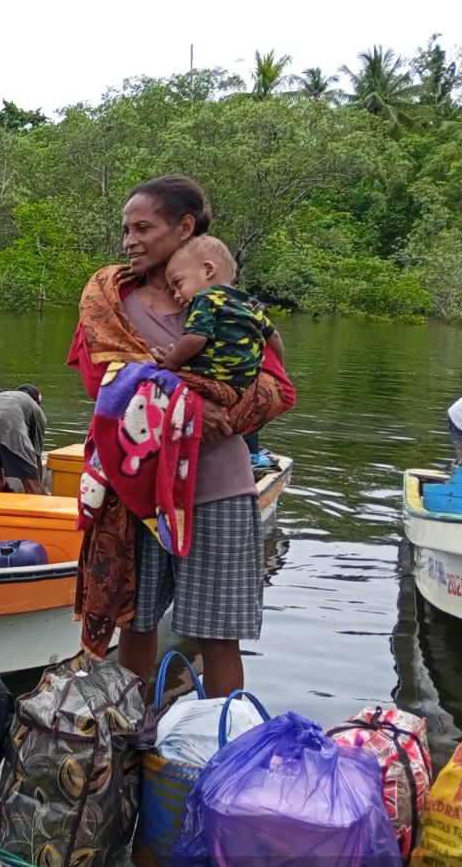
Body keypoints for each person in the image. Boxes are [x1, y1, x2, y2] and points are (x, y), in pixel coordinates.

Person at [67, 175, 294, 698]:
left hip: (217, 486)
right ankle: (131, 728)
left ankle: (221, 733)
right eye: (126, 230)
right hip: (137, 491)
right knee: (137, 622)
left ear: (184, 227)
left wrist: (213, 411)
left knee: (219, 637)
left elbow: (278, 387)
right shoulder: (110, 303)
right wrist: (190, 408)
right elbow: (101, 386)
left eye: (143, 228)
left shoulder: (230, 306)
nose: (130, 241)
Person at [152, 235, 285, 394]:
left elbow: (196, 338)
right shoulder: (251, 304)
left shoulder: (205, 299)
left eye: (178, 283)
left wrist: (173, 360)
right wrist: (280, 370)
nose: (176, 295)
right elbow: (274, 337)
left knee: (152, 379)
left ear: (208, 270)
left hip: (211, 379)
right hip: (243, 385)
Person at [0, 385, 47, 493]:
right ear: (36, 401)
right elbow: (37, 454)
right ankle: (34, 496)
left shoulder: (1, 396)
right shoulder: (35, 408)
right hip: (9, 424)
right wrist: (38, 484)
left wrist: (5, 483)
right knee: (33, 487)